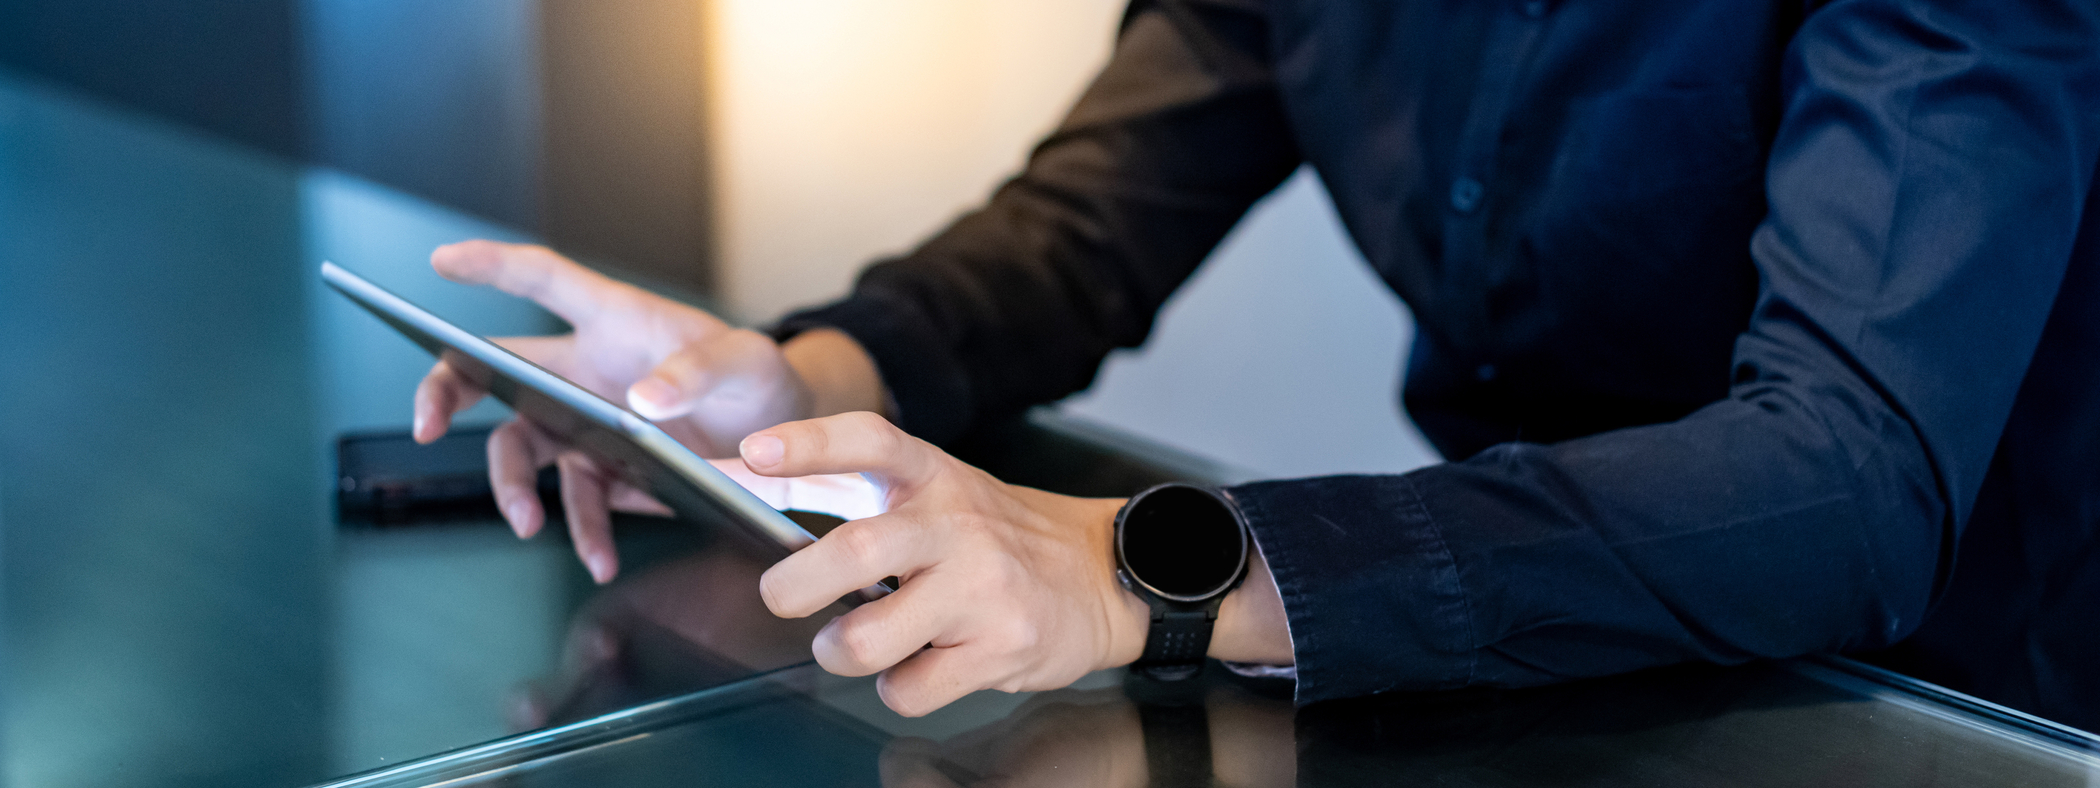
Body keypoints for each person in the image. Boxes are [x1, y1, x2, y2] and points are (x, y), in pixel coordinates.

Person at [412, 0, 2100, 727]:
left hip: (1946, 699)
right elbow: (1099, 210)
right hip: (1508, 672)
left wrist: (1142, 567)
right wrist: (808, 386)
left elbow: (1845, 483)